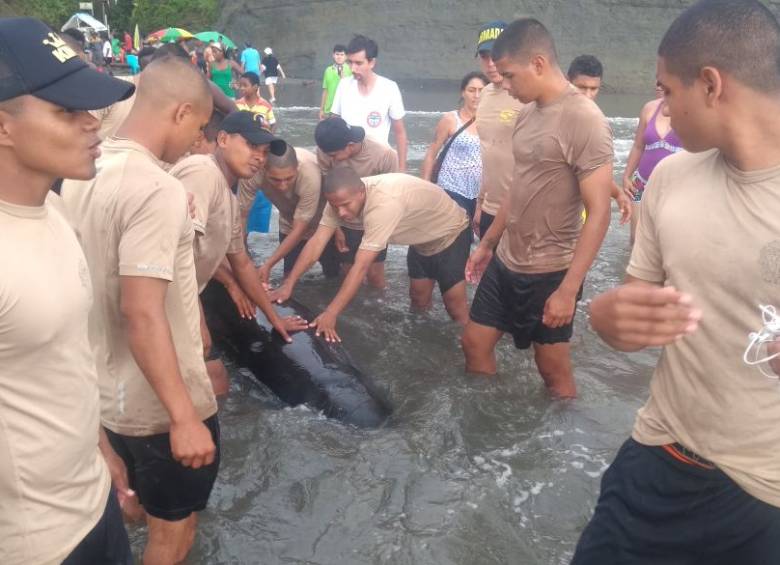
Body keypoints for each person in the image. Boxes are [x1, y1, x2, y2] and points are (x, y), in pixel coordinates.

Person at [573, 1, 780, 562]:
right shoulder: (669, 177)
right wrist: (606, 316)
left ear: (711, 85)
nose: (661, 109)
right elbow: (640, 312)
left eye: (667, 91)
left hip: (764, 498)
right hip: (656, 456)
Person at [60, 56, 219, 564]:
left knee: (134, 510)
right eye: (197, 127)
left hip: (105, 399)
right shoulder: (157, 188)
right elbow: (142, 312)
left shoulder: (82, 171)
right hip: (157, 408)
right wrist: (184, 417)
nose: (198, 142)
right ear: (180, 112)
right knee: (173, 536)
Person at [0, 17, 136, 565]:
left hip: (92, 502)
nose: (92, 125)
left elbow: (63, 360)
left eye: (89, 108)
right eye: (66, 111)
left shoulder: (51, 208)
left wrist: (102, 450)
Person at [462, 18, 614, 398]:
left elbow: (599, 212)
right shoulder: (527, 113)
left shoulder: (586, 120)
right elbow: (518, 186)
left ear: (539, 64)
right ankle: (491, 429)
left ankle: (560, 442)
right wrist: (487, 244)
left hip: (550, 269)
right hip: (507, 258)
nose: (505, 86)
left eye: (511, 76)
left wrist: (569, 288)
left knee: (552, 371)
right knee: (474, 344)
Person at [169, 111, 308, 395]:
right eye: (251, 146)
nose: (259, 156)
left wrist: (273, 317)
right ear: (222, 139)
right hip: (169, 296)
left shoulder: (229, 200)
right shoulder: (202, 172)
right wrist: (196, 317)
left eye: (264, 151)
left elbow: (242, 262)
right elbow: (175, 247)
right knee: (213, 380)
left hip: (182, 296)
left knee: (214, 380)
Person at [271, 169, 472, 340]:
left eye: (345, 205)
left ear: (361, 192)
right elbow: (316, 243)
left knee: (455, 308)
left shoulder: (383, 205)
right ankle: (424, 340)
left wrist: (331, 313)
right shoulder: (339, 199)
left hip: (451, 234)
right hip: (420, 239)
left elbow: (361, 267)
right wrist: (288, 285)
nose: (340, 212)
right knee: (418, 299)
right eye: (335, 206)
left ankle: (465, 345)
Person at [315, 116, 400, 289]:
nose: (332, 158)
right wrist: (336, 229)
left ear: (350, 145)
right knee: (349, 275)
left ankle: (378, 311)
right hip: (344, 221)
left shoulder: (384, 154)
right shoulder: (325, 151)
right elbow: (328, 191)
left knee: (375, 277)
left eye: (334, 155)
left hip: (375, 220)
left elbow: (393, 194)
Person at [238, 145, 341, 283]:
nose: (283, 186)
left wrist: (268, 265)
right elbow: (241, 217)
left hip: (322, 224)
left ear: (297, 168)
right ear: (263, 169)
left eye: (289, 178)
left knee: (334, 276)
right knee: (289, 278)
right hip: (289, 221)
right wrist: (243, 257)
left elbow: (300, 229)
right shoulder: (252, 173)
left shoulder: (309, 174)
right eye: (275, 179)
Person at [94, 42, 238, 140]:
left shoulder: (191, 89)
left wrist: (220, 140)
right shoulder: (116, 88)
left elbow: (231, 109)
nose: (185, 80)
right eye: (180, 74)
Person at [472, 20, 526, 239]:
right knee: (486, 271)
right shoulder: (484, 95)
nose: (491, 63)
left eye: (497, 54)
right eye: (485, 56)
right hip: (489, 208)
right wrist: (480, 203)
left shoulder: (526, 94)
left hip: (521, 210)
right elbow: (488, 153)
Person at [567, 55, 633, 225]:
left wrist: (618, 193)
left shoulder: (597, 125)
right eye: (581, 87)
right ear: (568, 81)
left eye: (593, 89)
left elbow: (595, 172)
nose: (588, 95)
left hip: (576, 213)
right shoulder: (552, 114)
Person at [330, 35, 408, 170]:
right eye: (350, 62)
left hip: (379, 163)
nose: (353, 68)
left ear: (372, 62)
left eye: (359, 63)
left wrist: (401, 170)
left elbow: (400, 133)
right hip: (348, 163)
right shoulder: (343, 85)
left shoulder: (389, 88)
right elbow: (333, 124)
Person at [421, 71, 488, 220]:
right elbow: (432, 153)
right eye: (471, 90)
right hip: (452, 188)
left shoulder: (492, 122)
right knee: (457, 237)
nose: (476, 95)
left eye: (481, 91)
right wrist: (425, 187)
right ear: (463, 92)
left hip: (480, 195)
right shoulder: (450, 119)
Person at [621, 91, 683, 243]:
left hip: (674, 188)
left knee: (667, 241)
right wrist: (626, 176)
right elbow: (638, 146)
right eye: (659, 84)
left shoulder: (691, 111)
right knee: (635, 239)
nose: (661, 88)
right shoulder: (649, 108)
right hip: (640, 184)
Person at [320, 44, 352, 120]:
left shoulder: (351, 69)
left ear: (346, 56)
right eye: (337, 54)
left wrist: (344, 80)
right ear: (333, 55)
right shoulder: (328, 70)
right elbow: (325, 91)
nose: (339, 57)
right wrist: (321, 109)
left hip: (343, 110)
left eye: (342, 54)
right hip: (328, 110)